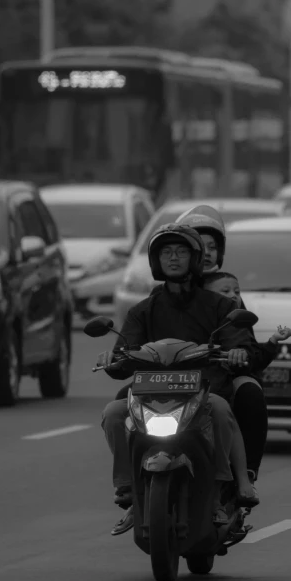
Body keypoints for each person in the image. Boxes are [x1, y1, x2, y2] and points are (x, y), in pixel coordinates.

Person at [98, 224, 260, 536]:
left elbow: (242, 342)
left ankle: (218, 492)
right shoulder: (143, 310)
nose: (173, 258)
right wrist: (111, 359)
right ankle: (129, 489)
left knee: (222, 410)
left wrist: (239, 352)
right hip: (150, 392)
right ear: (156, 260)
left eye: (181, 252)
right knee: (113, 413)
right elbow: (123, 357)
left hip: (203, 391)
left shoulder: (220, 306)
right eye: (166, 252)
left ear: (195, 258)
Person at [174, 205, 271, 485]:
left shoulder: (227, 289)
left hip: (221, 374)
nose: (206, 253)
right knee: (124, 400)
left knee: (250, 393)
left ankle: (246, 473)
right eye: (197, 246)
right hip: (174, 375)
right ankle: (133, 482)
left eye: (212, 247)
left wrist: (238, 356)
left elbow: (245, 341)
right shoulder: (167, 291)